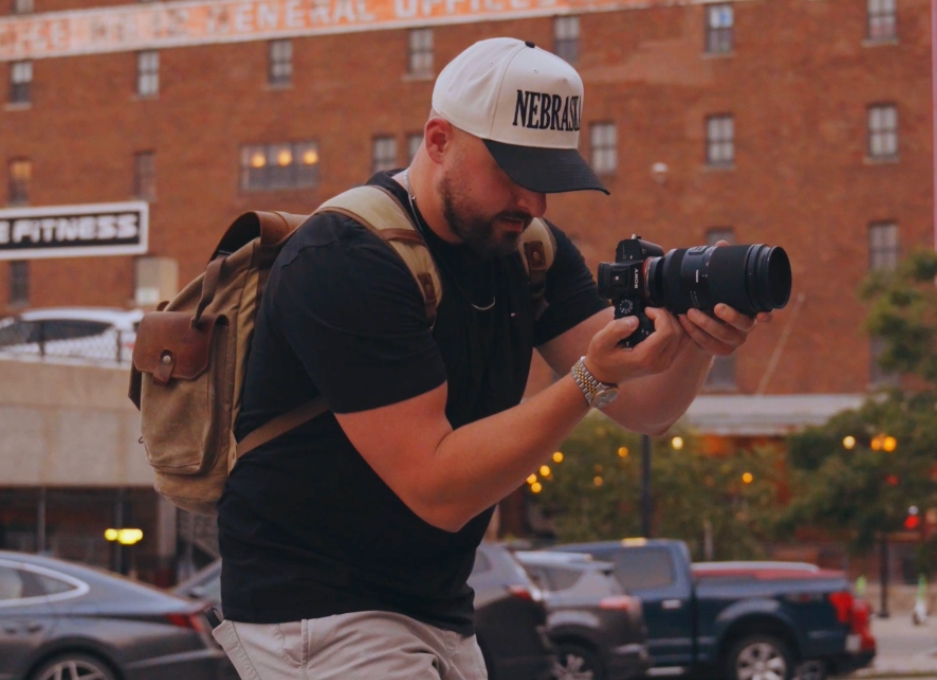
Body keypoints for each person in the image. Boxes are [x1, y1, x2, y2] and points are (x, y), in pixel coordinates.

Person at [212, 37, 771, 679]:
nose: (532, 203)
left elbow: (646, 407)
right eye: (512, 172)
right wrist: (588, 381)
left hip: (438, 605)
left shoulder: (527, 249)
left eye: (549, 179)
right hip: (314, 611)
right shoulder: (346, 259)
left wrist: (698, 336)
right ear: (439, 139)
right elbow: (438, 488)